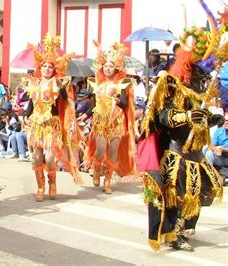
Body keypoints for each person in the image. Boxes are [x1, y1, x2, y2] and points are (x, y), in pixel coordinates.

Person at [140, 9, 225, 252]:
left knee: (204, 191)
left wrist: (211, 118)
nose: (201, 78)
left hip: (197, 153)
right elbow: (162, 116)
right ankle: (174, 234)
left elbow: (199, 118)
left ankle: (185, 227)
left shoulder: (198, 90)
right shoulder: (170, 84)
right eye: (197, 73)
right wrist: (186, 115)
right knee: (178, 195)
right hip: (177, 153)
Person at [23, 33, 84, 202]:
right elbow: (31, 103)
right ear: (40, 68)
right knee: (36, 158)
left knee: (49, 159)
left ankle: (52, 183)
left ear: (54, 69)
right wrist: (24, 116)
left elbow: (64, 102)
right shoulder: (34, 84)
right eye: (44, 66)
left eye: (50, 67)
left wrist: (63, 88)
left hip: (52, 125)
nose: (47, 69)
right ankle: (40, 187)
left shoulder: (58, 84)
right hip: (37, 124)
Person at [86, 42, 137, 194]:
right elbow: (93, 103)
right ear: (102, 67)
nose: (108, 68)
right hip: (101, 121)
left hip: (116, 121)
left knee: (113, 152)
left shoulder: (122, 84)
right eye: (106, 66)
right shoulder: (97, 84)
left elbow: (125, 104)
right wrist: (83, 115)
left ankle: (108, 180)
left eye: (111, 66)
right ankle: (96, 168)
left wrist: (117, 99)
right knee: (100, 150)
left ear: (116, 68)